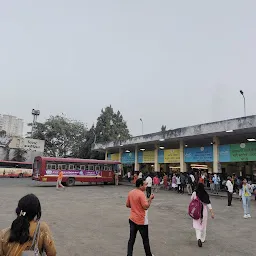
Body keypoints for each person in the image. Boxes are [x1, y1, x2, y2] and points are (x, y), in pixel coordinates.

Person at [126, 178, 155, 256]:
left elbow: (128, 205)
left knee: (131, 239)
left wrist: (135, 206)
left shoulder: (131, 192)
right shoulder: (141, 194)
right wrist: (151, 199)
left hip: (132, 219)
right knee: (145, 240)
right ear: (140, 185)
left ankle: (129, 254)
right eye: (145, 184)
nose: (146, 186)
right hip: (141, 221)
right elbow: (145, 206)